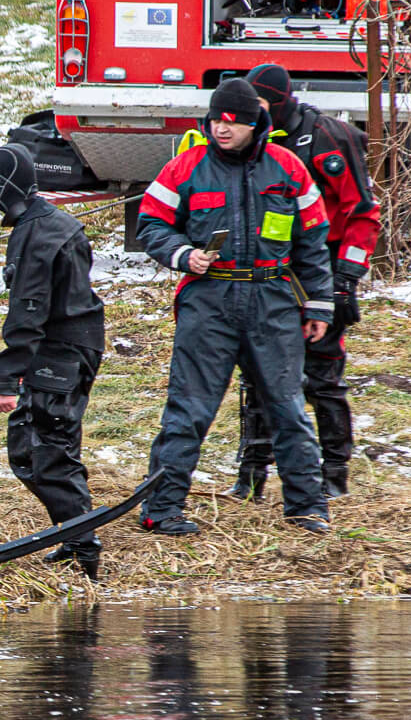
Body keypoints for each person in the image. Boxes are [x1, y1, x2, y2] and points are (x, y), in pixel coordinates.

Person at [135, 78, 334, 537]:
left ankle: (307, 506)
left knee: (288, 407)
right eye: (215, 121)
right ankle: (161, 510)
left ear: (253, 123)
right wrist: (183, 255)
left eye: (232, 122)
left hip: (274, 301)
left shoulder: (287, 168)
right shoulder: (185, 168)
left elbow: (313, 241)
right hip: (209, 301)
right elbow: (151, 224)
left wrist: (319, 306)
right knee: (189, 410)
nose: (222, 130)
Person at [230, 63, 380, 501]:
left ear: (276, 104)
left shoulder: (327, 138)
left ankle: (334, 474)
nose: (244, 119)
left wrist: (346, 278)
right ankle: (252, 472)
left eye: (254, 108)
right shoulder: (250, 143)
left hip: (323, 269)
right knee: (256, 374)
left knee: (322, 377)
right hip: (268, 271)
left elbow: (363, 212)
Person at [0, 144, 107, 579]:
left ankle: (83, 546)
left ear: (3, 187)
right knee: (28, 450)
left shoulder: (38, 236)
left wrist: (7, 377)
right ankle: (72, 533)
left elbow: (28, 312)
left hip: (62, 352)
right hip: (66, 347)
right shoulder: (48, 223)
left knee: (48, 452)